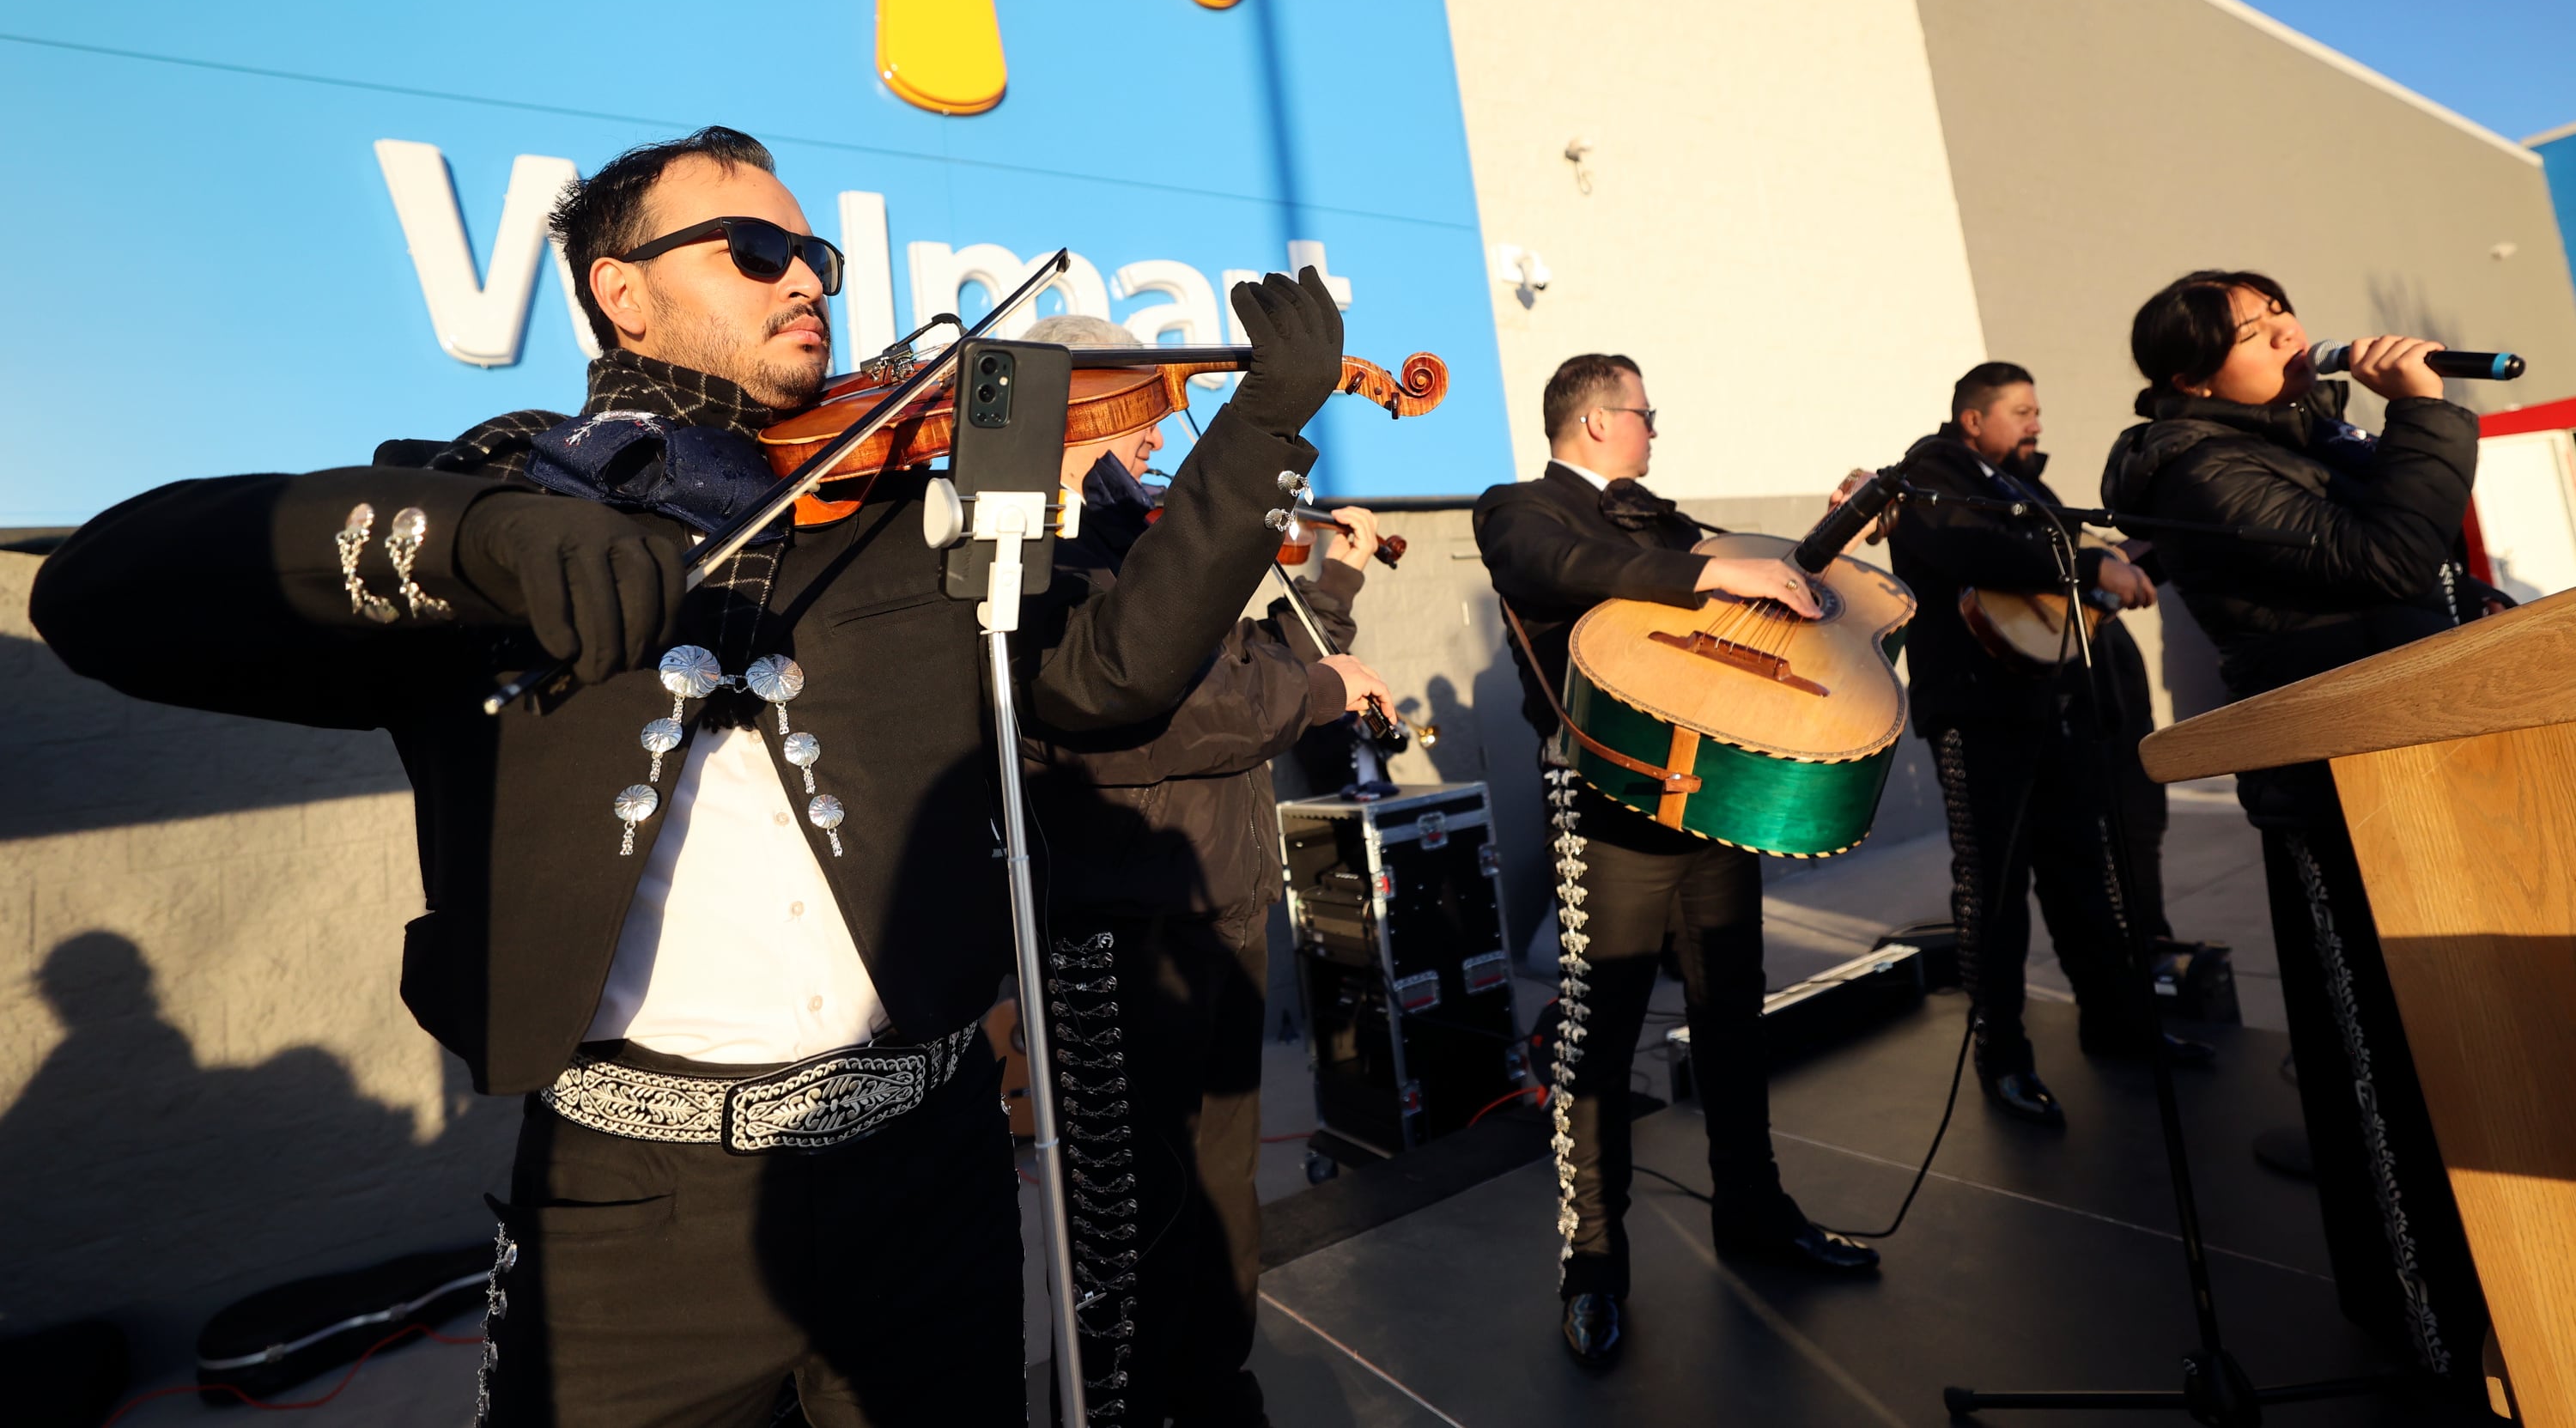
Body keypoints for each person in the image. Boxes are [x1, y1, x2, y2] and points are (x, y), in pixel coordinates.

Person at [29, 127, 1352, 1428]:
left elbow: (1111, 676)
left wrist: (1263, 429)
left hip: (928, 1176)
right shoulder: (506, 500)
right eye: (758, 249)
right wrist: (477, 541)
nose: (808, 282)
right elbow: (100, 594)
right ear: (623, 293)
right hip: (630, 1215)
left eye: (817, 256)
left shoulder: (904, 516)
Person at [2099, 270, 2493, 1382]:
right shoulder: (2190, 462)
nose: (2292, 338)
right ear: (2187, 373)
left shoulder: (2312, 437)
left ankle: (2513, 1268)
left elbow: (2419, 574)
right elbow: (2382, 560)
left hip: (2438, 754)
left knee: (2470, 1029)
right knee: (2379, 1052)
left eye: (2288, 317)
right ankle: (2430, 1322)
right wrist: (2423, 413)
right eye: (2257, 330)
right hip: (2339, 782)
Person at [1016, 315, 1394, 1427]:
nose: (1157, 430)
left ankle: (1217, 1393)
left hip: (1224, 907)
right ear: (1071, 406)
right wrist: (1322, 690)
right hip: (1121, 931)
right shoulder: (1034, 547)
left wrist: (1327, 595)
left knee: (1226, 1202)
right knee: (1134, 1227)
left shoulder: (1142, 530)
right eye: (1135, 407)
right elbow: (1175, 717)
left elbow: (1245, 671)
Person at [1473, 353, 1877, 1373]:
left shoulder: (1667, 516)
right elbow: (1556, 569)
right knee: (1598, 1038)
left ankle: (1754, 1209)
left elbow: (1764, 598)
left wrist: (1830, 549)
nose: (1656, 430)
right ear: (1601, 420)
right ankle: (1594, 1267)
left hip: (1710, 794)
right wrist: (1711, 570)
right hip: (1606, 797)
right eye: (1648, 414)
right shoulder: (1518, 506)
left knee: (1733, 1012)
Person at [1879, 362, 2202, 1131]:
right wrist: (2091, 563)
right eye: (2021, 410)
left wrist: (2119, 575)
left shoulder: (2034, 492)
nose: (2036, 423)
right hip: (1979, 713)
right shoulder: (1932, 474)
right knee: (1993, 891)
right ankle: (2004, 1055)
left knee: (2083, 873)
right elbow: (1973, 551)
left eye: (2037, 409)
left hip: (2054, 705)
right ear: (1972, 420)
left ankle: (2117, 1024)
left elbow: (2066, 590)